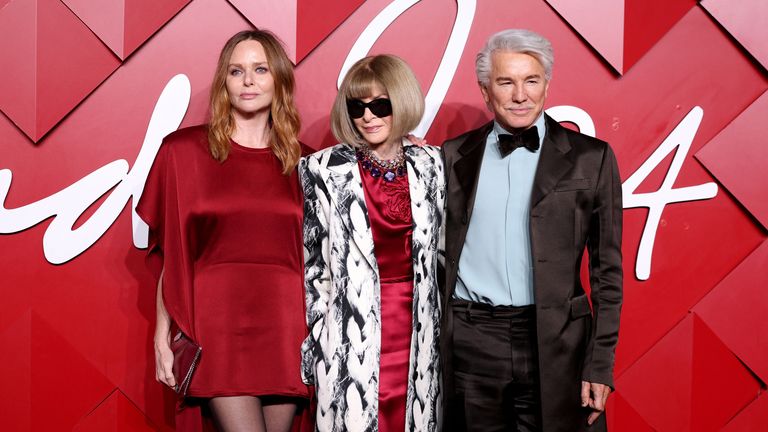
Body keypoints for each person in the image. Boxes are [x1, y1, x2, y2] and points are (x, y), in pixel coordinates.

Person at [440, 29, 623, 432]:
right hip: (473, 340)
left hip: (557, 343)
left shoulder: (591, 158)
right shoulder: (451, 156)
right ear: (486, 91)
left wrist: (600, 363)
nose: (520, 95)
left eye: (531, 80)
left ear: (547, 85)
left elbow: (607, 274)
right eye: (506, 82)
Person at [137, 29, 310, 432]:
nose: (248, 81)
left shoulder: (309, 164)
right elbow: (172, 255)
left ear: (279, 80)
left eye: (260, 69)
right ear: (224, 83)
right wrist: (162, 338)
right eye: (237, 71)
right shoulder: (182, 153)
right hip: (218, 330)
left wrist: (408, 148)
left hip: (286, 328)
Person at [300, 54, 444, 432]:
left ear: (402, 101)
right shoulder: (320, 170)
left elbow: (446, 254)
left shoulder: (435, 165)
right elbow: (313, 267)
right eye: (357, 106)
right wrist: (319, 344)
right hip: (350, 335)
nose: (368, 116)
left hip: (420, 334)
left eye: (381, 105)